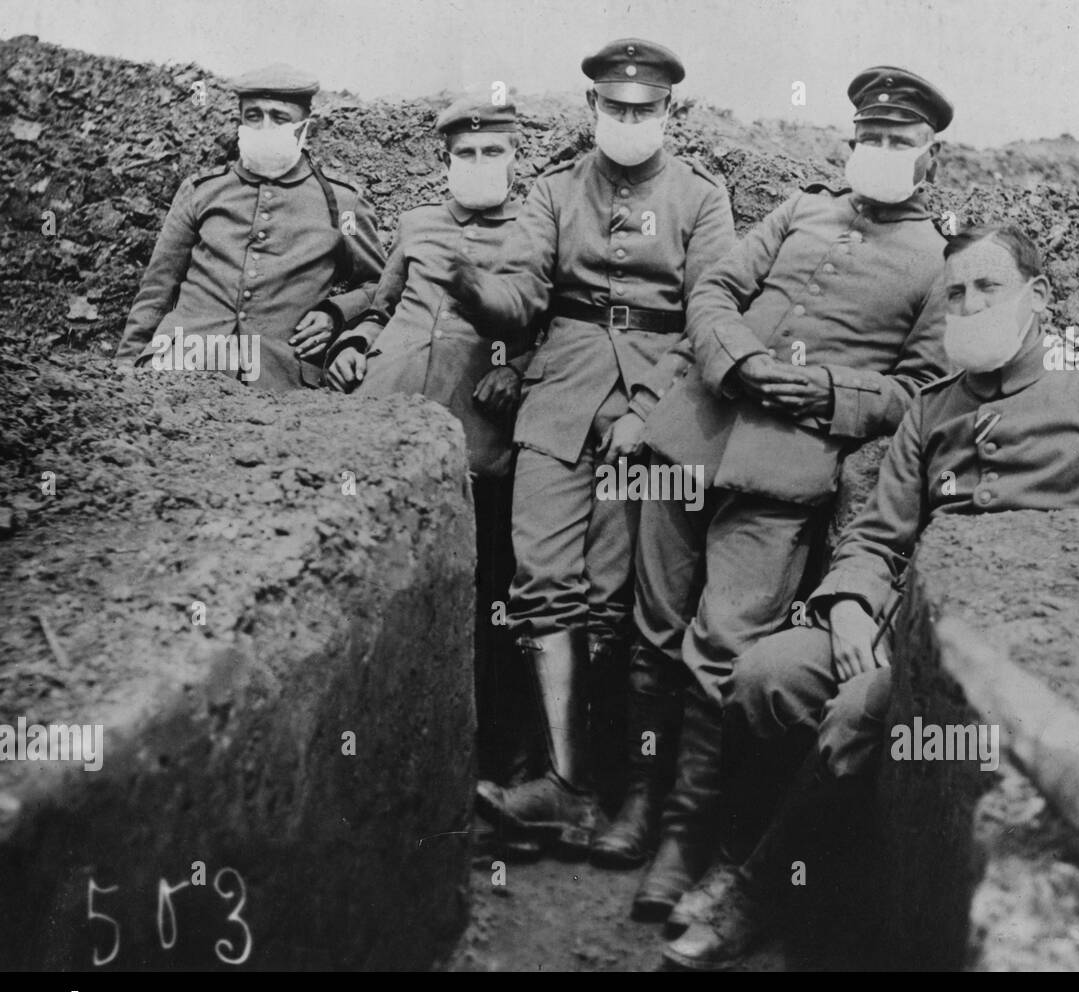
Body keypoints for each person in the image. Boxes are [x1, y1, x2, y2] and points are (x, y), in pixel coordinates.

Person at [663, 221, 1079, 970]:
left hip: (1016, 651)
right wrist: (852, 605)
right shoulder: (930, 410)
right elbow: (874, 534)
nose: (969, 304)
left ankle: (759, 892)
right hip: (907, 622)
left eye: (988, 287)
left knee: (863, 710)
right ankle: (750, 854)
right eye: (955, 293)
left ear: (1038, 297)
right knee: (767, 676)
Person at [610, 68, 953, 924]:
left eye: (897, 143)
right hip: (692, 430)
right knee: (651, 625)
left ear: (930, 159)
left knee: (722, 643)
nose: (877, 153)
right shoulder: (800, 210)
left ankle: (690, 834)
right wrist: (738, 360)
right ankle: (641, 799)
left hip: (787, 468)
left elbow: (919, 392)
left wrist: (823, 391)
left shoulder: (939, 264)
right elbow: (714, 288)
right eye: (867, 138)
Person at [454, 40, 736, 853]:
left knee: (614, 597)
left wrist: (647, 410)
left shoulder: (701, 199)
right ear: (592, 111)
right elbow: (527, 291)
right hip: (562, 392)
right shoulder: (551, 191)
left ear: (668, 114)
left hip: (657, 399)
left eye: (644, 110)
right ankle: (561, 784)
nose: (629, 122)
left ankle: (612, 785)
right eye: (615, 109)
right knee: (542, 576)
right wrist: (479, 296)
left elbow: (709, 316)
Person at [325, 96, 537, 786]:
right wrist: (355, 345)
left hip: (477, 434)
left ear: (514, 160)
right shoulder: (417, 224)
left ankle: (493, 752)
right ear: (445, 162)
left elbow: (559, 324)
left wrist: (519, 368)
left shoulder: (536, 232)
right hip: (390, 416)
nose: (478, 166)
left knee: (487, 596)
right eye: (465, 155)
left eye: (491, 153)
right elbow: (381, 306)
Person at [116, 63, 384, 391]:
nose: (264, 126)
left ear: (304, 126)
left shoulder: (341, 204)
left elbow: (379, 287)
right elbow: (157, 289)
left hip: (277, 380)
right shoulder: (202, 191)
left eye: (279, 117)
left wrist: (335, 312)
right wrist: (125, 369)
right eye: (253, 115)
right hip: (181, 361)